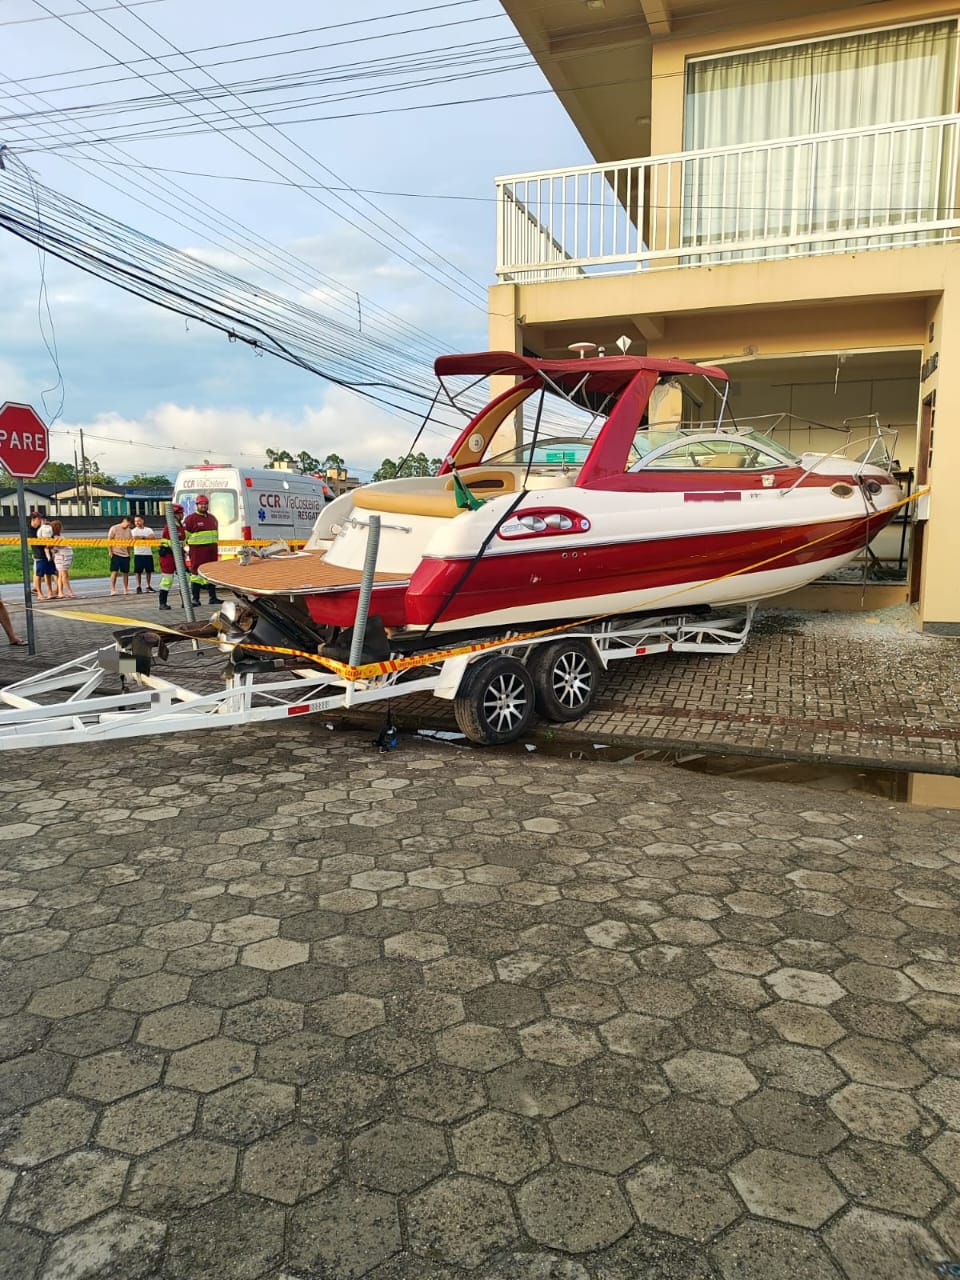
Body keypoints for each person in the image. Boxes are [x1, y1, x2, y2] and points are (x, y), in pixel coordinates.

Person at [182, 494, 222, 607]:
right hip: (197, 551)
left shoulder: (212, 519)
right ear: (197, 505)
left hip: (212, 550)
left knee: (211, 573)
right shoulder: (191, 519)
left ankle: (212, 598)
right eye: (201, 504)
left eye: (205, 504)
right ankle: (195, 599)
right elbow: (184, 537)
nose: (203, 506)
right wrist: (183, 550)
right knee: (196, 574)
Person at [157, 504, 186, 611]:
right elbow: (167, 542)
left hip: (178, 556)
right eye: (181, 513)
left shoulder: (179, 526)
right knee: (167, 580)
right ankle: (162, 603)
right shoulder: (170, 527)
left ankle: (186, 602)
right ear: (176, 515)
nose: (182, 515)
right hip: (168, 556)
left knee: (185, 579)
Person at [29, 512, 56, 600]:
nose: (41, 521)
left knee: (48, 573)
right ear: (33, 520)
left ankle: (50, 592)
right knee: (38, 574)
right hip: (39, 554)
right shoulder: (31, 530)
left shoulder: (44, 528)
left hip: (48, 554)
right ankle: (39, 593)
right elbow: (36, 543)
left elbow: (51, 537)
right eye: (38, 519)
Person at [50, 520, 77, 599]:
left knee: (62, 574)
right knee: (64, 574)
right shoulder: (55, 538)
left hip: (65, 556)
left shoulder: (59, 537)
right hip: (62, 557)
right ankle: (69, 591)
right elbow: (54, 548)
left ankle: (60, 592)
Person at [107, 516, 133, 595]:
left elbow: (129, 543)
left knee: (125, 572)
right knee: (114, 571)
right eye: (127, 524)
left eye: (129, 525)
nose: (128, 526)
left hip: (125, 554)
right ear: (124, 521)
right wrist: (110, 552)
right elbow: (109, 541)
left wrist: (129, 553)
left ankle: (125, 589)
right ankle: (113, 589)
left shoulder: (129, 531)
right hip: (116, 553)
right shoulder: (114, 528)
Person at [130, 515, 156, 592]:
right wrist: (146, 538)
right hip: (138, 553)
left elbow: (153, 538)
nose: (137, 522)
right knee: (138, 571)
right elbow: (134, 538)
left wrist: (142, 537)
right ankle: (138, 586)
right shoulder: (133, 531)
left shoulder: (149, 529)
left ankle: (148, 586)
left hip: (148, 553)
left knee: (149, 571)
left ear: (142, 521)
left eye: (138, 521)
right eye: (135, 521)